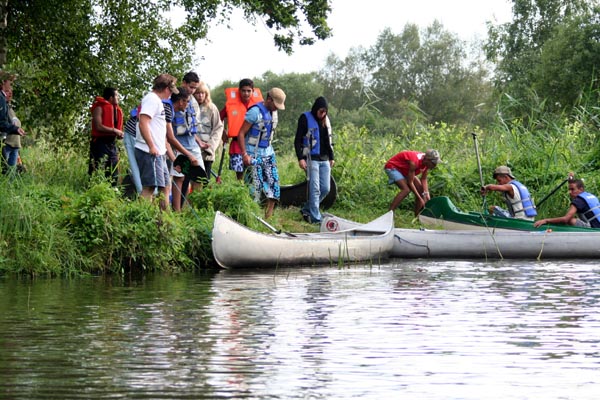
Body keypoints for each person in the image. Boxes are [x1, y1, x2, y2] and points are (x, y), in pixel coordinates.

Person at [134, 74, 200, 210]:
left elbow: (164, 137)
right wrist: (151, 146)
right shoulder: (152, 100)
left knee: (165, 185)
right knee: (150, 187)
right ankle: (140, 216)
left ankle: (165, 219)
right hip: (148, 151)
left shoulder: (159, 102)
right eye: (170, 90)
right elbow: (143, 123)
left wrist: (173, 159)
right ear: (165, 88)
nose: (171, 94)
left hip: (160, 152)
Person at [238, 87, 286, 219]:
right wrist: (244, 154)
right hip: (253, 153)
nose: (276, 108)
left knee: (274, 187)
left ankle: (267, 218)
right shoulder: (255, 112)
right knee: (255, 188)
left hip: (268, 153)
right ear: (269, 99)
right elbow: (241, 133)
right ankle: (251, 218)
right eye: (275, 105)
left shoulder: (274, 113)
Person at [294, 96, 335, 224]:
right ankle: (316, 218)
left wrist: (332, 157)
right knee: (315, 188)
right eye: (320, 111)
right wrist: (300, 158)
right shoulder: (305, 118)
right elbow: (297, 140)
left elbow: (327, 141)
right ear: (316, 108)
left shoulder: (325, 121)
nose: (322, 114)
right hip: (311, 158)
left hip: (324, 159)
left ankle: (307, 209)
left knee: (325, 189)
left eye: (325, 112)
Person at [169, 71, 206, 211]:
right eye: (190, 87)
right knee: (179, 178)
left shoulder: (192, 102)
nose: (192, 91)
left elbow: (191, 126)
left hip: (192, 143)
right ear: (184, 83)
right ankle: (177, 211)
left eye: (195, 88)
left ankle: (191, 209)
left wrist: (199, 142)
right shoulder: (175, 98)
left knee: (200, 177)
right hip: (178, 144)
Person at [220, 78, 263, 180]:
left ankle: (252, 194)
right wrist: (222, 133)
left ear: (253, 91)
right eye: (243, 90)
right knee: (239, 175)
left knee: (254, 175)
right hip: (237, 144)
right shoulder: (231, 105)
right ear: (239, 91)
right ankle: (240, 193)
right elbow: (218, 118)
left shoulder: (258, 106)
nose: (246, 93)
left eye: (249, 91)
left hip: (253, 144)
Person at [384, 149, 440, 215]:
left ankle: (417, 216)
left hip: (406, 170)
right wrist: (420, 198)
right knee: (406, 190)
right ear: (427, 160)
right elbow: (410, 183)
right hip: (393, 167)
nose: (435, 165)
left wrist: (426, 194)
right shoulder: (414, 162)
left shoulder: (426, 164)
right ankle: (390, 213)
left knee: (421, 191)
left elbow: (424, 179)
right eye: (433, 163)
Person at [88, 87, 124, 186]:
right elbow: (98, 126)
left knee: (114, 171)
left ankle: (111, 194)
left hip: (111, 144)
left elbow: (116, 128)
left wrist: (119, 134)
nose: (118, 98)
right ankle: (94, 191)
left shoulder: (117, 110)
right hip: (99, 143)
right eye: (116, 95)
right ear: (111, 97)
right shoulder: (99, 107)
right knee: (98, 169)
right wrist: (114, 130)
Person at [533, 178, 600, 228]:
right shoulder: (591, 196)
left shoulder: (578, 200)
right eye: (569, 189)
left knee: (569, 220)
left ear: (581, 189)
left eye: (572, 189)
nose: (570, 192)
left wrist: (546, 220)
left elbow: (566, 219)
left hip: (595, 229)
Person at [194, 81, 223, 181]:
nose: (200, 96)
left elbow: (218, 128)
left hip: (207, 151)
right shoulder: (189, 106)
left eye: (203, 93)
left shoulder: (212, 108)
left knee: (204, 180)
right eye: (198, 93)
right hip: (192, 149)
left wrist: (211, 146)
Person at [0, 71, 26, 174]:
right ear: (3, 82)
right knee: (6, 170)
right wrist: (15, 129)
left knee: (11, 171)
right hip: (6, 143)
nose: (11, 87)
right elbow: (1, 122)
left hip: (15, 144)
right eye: (10, 82)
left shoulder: (7, 104)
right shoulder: (1, 99)